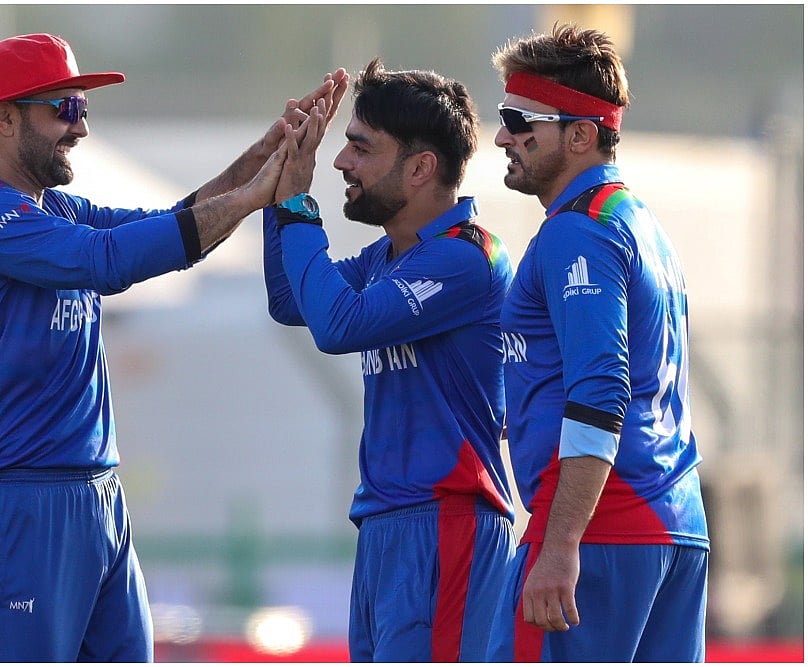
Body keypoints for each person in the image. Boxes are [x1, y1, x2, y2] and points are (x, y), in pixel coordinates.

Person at [0, 32, 343, 662]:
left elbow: (170, 223)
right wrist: (254, 197)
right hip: (14, 499)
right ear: (5, 118)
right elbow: (110, 259)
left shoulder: (56, 209)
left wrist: (262, 159)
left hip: (97, 494)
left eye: (83, 109)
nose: (80, 127)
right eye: (64, 108)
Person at [263, 58, 516, 662]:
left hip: (447, 521)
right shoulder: (386, 257)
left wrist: (298, 205)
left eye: (361, 148)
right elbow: (289, 301)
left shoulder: (465, 257)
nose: (341, 163)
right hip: (386, 524)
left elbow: (338, 325)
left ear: (421, 168)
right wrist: (279, 190)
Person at [485, 23, 710, 662]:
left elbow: (601, 389)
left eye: (519, 120)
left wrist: (560, 545)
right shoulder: (640, 223)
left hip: (600, 532)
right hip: (674, 526)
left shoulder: (578, 232)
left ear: (581, 134)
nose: (502, 137)